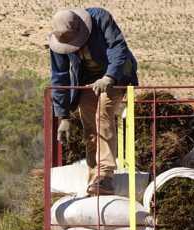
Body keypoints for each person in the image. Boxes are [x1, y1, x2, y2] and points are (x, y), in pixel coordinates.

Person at [49, 7, 138, 196]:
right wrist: (62, 116)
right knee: (88, 123)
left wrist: (109, 77)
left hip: (116, 75)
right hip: (87, 82)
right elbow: (60, 77)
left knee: (103, 113)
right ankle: (94, 175)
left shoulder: (101, 18)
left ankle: (105, 175)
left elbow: (117, 48)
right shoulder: (57, 42)